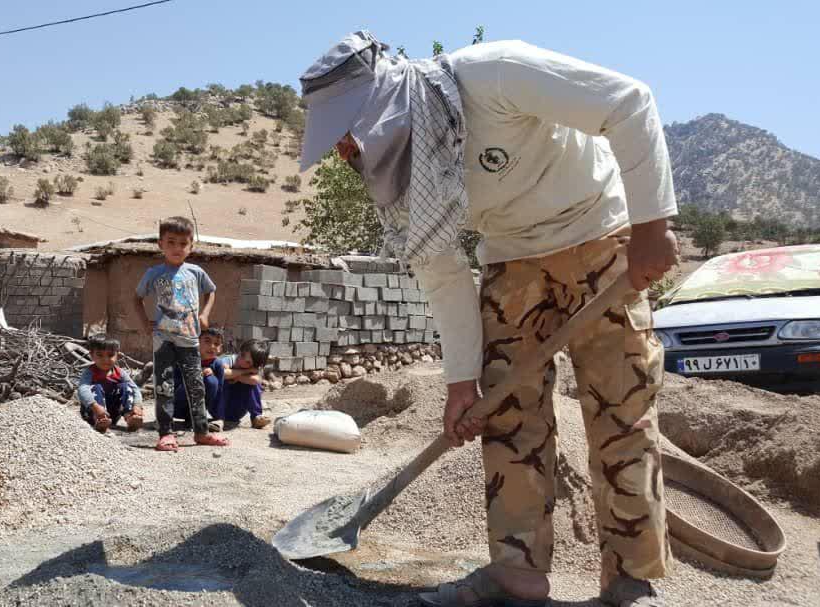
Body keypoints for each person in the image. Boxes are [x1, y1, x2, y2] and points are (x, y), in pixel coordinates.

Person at [298, 32, 680, 607]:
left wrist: (653, 226)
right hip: (509, 258)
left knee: (620, 411)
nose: (347, 149)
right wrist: (460, 384)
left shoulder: (494, 73)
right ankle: (516, 574)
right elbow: (443, 272)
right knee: (505, 414)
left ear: (384, 103)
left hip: (600, 236)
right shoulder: (398, 169)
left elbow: (628, 101)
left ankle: (631, 580)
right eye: (340, 141)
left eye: (350, 130)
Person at [134, 216, 231, 452]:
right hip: (163, 340)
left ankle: (202, 432)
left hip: (189, 340)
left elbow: (211, 292)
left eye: (183, 244)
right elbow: (136, 297)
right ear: (160, 244)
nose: (177, 248)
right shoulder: (154, 273)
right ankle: (166, 434)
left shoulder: (195, 272)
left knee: (196, 385)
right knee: (164, 385)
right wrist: (144, 322)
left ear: (191, 246)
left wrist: (205, 314)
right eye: (171, 242)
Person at [76, 335, 143, 433]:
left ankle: (130, 417)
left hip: (113, 413)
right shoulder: (89, 372)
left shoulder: (120, 372)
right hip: (93, 412)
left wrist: (137, 405)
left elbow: (135, 389)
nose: (105, 359)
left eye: (110, 355)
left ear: (117, 356)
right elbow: (82, 390)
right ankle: (99, 421)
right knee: (95, 387)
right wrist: (95, 406)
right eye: (99, 355)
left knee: (126, 386)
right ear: (91, 355)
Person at [172, 327, 230, 431]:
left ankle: (195, 419)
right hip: (178, 406)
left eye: (216, 344)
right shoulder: (184, 360)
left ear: (220, 348)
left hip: (198, 410)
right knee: (201, 379)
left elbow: (219, 393)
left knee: (212, 381)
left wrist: (219, 418)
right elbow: (174, 387)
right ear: (197, 342)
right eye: (207, 341)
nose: (212, 347)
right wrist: (196, 374)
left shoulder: (217, 365)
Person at [217, 339, 271, 430]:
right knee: (224, 379)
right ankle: (218, 419)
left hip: (237, 409)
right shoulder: (228, 359)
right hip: (219, 407)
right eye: (242, 355)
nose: (241, 361)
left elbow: (255, 380)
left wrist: (236, 377)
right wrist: (246, 371)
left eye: (248, 362)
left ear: (255, 365)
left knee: (252, 383)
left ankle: (256, 417)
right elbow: (222, 373)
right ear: (240, 351)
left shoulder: (256, 369)